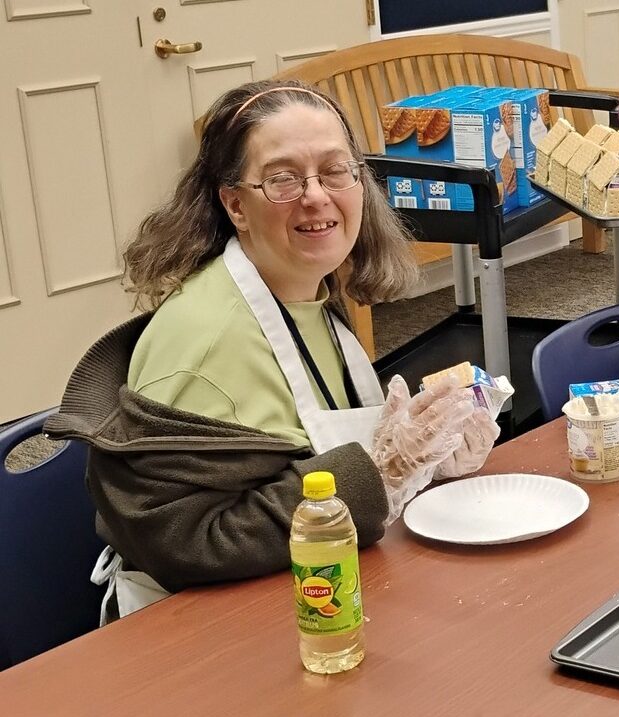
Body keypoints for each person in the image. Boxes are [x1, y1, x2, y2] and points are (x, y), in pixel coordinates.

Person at [45, 81, 498, 618]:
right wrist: (380, 472)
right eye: (283, 178)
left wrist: (425, 465)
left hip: (310, 588)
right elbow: (180, 542)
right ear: (235, 204)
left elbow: (311, 456)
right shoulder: (207, 342)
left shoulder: (306, 291)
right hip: (201, 630)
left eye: (335, 171)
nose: (316, 195)